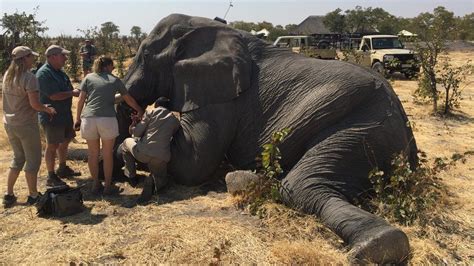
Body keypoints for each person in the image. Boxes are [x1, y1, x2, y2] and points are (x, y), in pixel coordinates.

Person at [75, 56, 143, 195]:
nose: (113, 69)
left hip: (89, 119)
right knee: (107, 154)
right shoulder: (114, 80)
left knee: (92, 154)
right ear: (107, 66)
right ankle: (107, 186)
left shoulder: (88, 78)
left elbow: (81, 99)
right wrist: (139, 110)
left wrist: (77, 119)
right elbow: (128, 99)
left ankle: (95, 183)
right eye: (112, 66)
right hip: (107, 119)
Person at [2, 46, 57, 208]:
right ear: (25, 58)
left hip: (10, 123)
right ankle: (33, 195)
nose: (33, 59)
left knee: (18, 158)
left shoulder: (7, 75)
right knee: (33, 160)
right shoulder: (29, 78)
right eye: (31, 57)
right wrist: (47, 108)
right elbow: (34, 104)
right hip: (26, 124)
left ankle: (9, 194)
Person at [118, 97, 180, 204]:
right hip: (161, 157)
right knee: (161, 177)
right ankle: (153, 183)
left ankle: (131, 176)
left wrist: (133, 125)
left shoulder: (150, 112)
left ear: (156, 105)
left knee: (126, 143)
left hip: (143, 153)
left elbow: (136, 133)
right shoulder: (175, 120)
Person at [36, 44, 81, 187]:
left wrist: (73, 90)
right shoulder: (44, 74)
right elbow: (53, 96)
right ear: (53, 56)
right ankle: (51, 175)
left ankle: (62, 168)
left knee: (66, 140)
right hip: (52, 116)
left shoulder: (59, 72)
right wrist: (72, 93)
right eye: (63, 55)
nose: (66, 58)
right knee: (52, 145)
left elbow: (66, 88)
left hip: (64, 115)